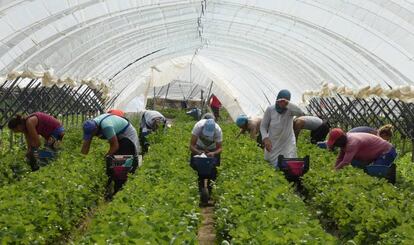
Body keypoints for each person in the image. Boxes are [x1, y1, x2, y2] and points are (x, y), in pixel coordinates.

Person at [81, 113, 139, 194]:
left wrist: (105, 157)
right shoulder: (90, 126)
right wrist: (82, 159)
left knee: (121, 164)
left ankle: (119, 190)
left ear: (96, 129)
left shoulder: (106, 126)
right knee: (112, 163)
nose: (91, 136)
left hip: (127, 137)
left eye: (92, 135)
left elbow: (115, 146)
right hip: (118, 138)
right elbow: (86, 145)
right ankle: (110, 188)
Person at [260, 89, 305, 168]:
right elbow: (263, 126)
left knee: (287, 164)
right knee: (271, 162)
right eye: (279, 102)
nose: (281, 105)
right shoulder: (270, 109)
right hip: (273, 142)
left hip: (287, 143)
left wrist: (288, 104)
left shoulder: (290, 110)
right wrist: (265, 138)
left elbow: (300, 113)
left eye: (284, 103)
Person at [327, 128, 397, 170]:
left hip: (387, 151)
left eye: (335, 143)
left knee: (377, 173)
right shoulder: (344, 143)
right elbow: (340, 158)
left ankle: (390, 174)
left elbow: (345, 162)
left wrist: (335, 171)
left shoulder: (352, 143)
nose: (335, 145)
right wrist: (335, 168)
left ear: (340, 139)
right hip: (378, 153)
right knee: (370, 170)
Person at [189, 118, 223, 202]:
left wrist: (213, 153)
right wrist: (199, 152)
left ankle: (209, 191)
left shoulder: (218, 130)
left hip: (212, 149)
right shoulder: (198, 126)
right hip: (199, 147)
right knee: (195, 169)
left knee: (213, 171)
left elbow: (220, 148)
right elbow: (191, 145)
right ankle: (199, 191)